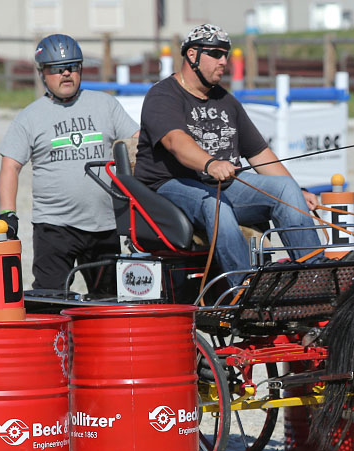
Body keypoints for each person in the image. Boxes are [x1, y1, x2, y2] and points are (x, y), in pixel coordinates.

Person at [134, 24, 324, 284]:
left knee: (285, 188)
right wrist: (209, 163)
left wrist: (297, 196)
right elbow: (175, 141)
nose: (224, 61)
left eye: (226, 54)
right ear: (192, 55)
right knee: (215, 203)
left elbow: (259, 153)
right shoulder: (163, 95)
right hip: (169, 188)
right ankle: (244, 286)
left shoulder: (226, 100)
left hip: (221, 184)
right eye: (216, 53)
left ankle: (314, 275)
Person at [0, 34, 139, 293]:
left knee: (108, 305)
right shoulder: (29, 117)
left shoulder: (105, 104)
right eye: (57, 69)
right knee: (50, 301)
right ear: (43, 73)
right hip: (54, 228)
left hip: (105, 224)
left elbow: (137, 143)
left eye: (72, 67)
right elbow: (10, 166)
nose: (66, 73)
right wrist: (8, 214)